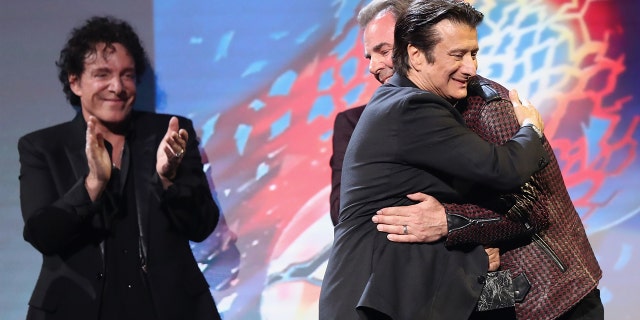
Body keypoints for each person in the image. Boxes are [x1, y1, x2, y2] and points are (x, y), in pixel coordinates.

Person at [319, 1, 551, 319]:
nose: (375, 65)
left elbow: (530, 206)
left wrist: (457, 228)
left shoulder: (482, 103)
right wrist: (532, 126)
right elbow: (504, 172)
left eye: (384, 50)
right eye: (371, 54)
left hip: (464, 286)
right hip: (387, 300)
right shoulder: (407, 106)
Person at [18, 16, 222, 320]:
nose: (118, 87)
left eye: (127, 75)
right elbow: (43, 235)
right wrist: (92, 186)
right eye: (102, 74)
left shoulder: (170, 134)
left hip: (168, 308)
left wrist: (168, 181)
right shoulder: (43, 147)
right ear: (75, 81)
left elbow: (202, 226)